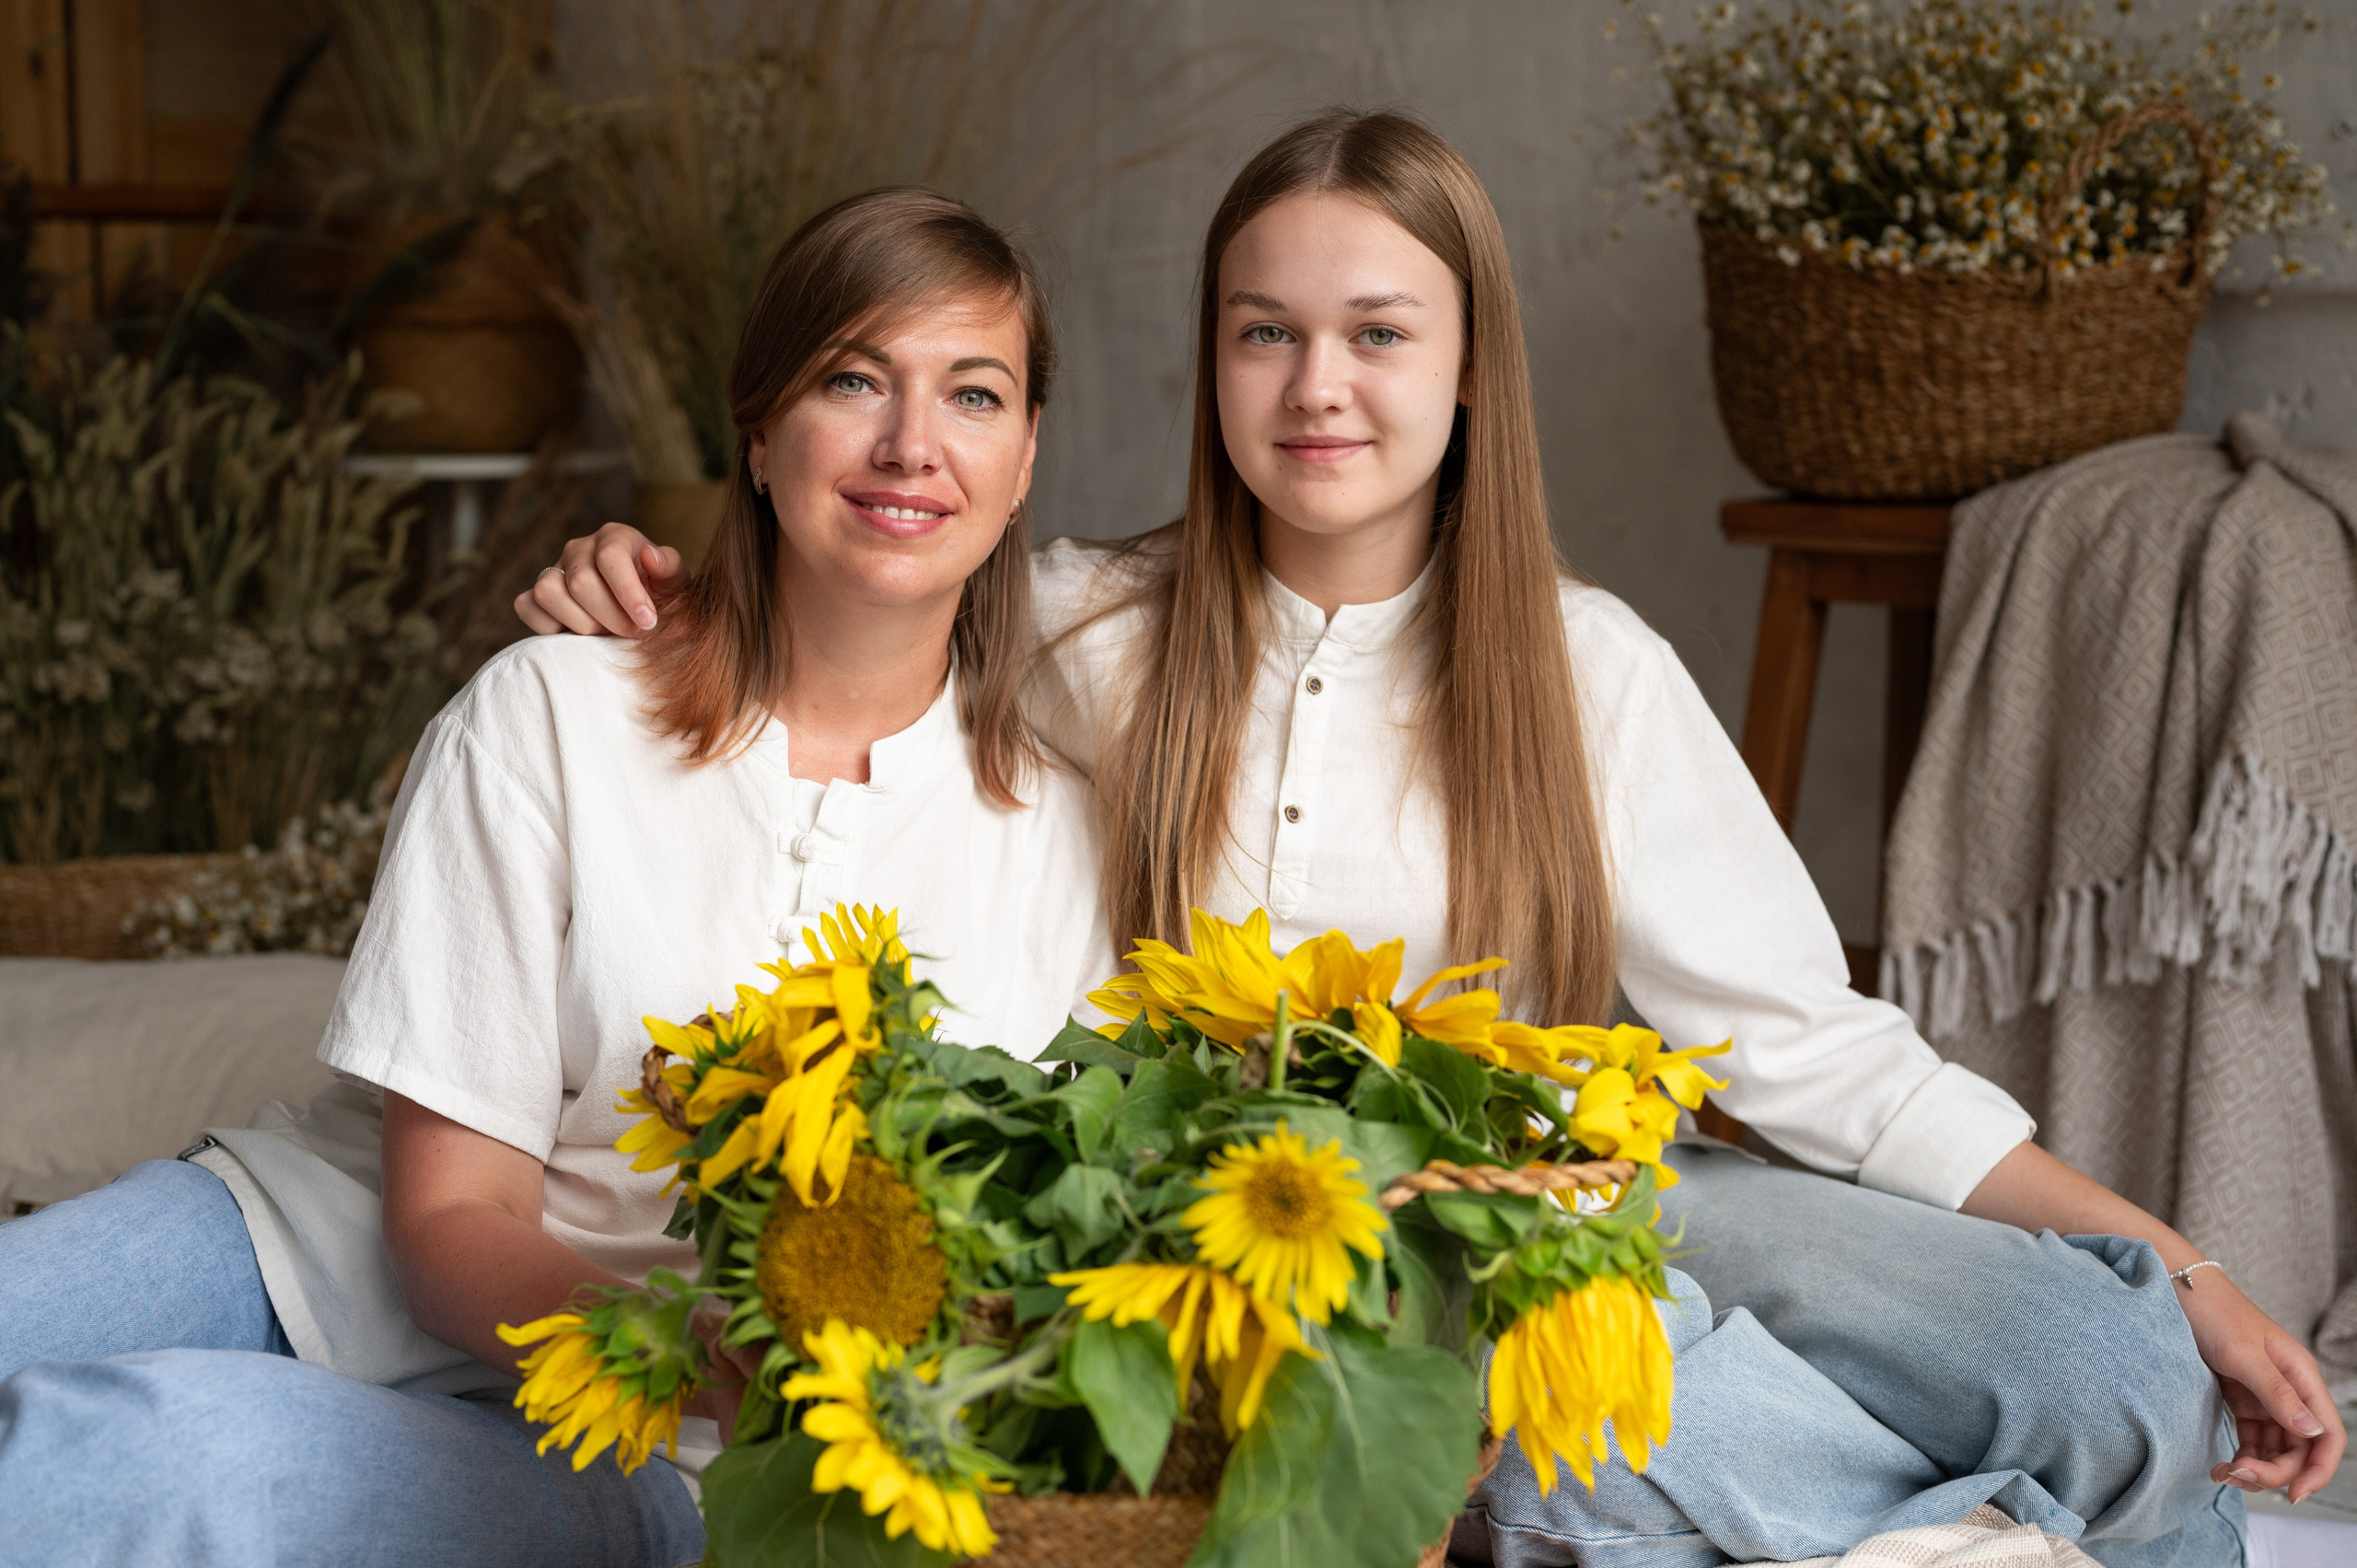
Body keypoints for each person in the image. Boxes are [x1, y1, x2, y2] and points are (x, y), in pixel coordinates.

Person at [521, 112, 2346, 1567]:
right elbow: (854, 601)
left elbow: (1819, 1052)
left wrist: (2177, 1264)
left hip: (1599, 1194)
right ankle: (1991, 1546)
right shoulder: (1076, 627)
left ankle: (1937, 1527)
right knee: (1541, 1445)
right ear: (1212, 362)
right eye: (1265, 333)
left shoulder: (1586, 667)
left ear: (1469, 368)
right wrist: (649, 583)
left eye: (1377, 334)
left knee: (2102, 1361)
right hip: (1308, 1264)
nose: (1317, 386)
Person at [0, 189, 1111, 1568]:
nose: (911, 444)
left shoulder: (1064, 836)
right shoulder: (552, 708)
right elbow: (450, 1215)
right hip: (325, 1250)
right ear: (758, 430)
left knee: (144, 1453)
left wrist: (736, 1371)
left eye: (975, 395)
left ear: (1026, 455)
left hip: (661, 1437)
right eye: (852, 380)